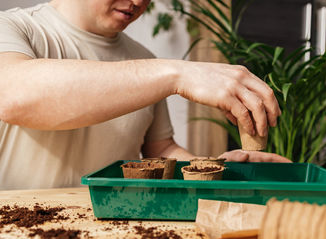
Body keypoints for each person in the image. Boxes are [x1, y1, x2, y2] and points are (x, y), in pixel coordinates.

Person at [0, 0, 290, 190]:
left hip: (117, 233)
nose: (139, 1)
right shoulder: (13, 28)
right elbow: (13, 95)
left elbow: (159, 151)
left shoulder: (144, 59)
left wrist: (213, 169)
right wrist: (179, 74)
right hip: (19, 236)